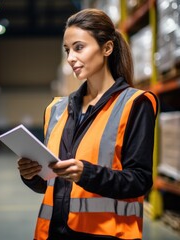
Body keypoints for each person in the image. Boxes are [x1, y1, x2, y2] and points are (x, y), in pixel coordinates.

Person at [17, 8, 158, 240]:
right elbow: (49, 185)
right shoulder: (56, 109)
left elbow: (140, 181)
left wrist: (87, 173)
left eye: (79, 47)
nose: (71, 57)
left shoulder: (135, 104)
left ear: (107, 48)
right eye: (67, 50)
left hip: (104, 234)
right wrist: (30, 174)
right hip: (52, 232)